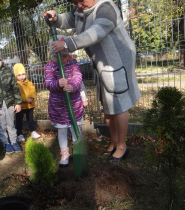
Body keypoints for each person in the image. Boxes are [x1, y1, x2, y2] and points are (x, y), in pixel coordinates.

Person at [45, 0, 141, 162]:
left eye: (80, 1)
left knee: (118, 104)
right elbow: (67, 19)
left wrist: (68, 44)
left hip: (116, 61)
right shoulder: (81, 10)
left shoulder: (105, 7)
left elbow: (96, 32)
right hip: (101, 64)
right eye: (75, 3)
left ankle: (123, 146)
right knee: (107, 105)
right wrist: (55, 16)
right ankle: (115, 141)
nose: (79, 6)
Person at [44, 35, 84, 166]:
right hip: (59, 108)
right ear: (52, 55)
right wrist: (57, 84)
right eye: (57, 57)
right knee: (61, 131)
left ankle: (78, 152)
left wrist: (72, 86)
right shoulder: (49, 67)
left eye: (65, 56)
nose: (62, 60)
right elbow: (48, 83)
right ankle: (65, 154)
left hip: (74, 106)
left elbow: (78, 78)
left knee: (76, 129)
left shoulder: (73, 64)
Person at [13, 63, 41, 142]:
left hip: (29, 105)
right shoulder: (15, 85)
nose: (21, 77)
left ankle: (33, 131)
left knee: (31, 119)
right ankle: (19, 134)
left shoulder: (29, 83)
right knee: (19, 120)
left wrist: (31, 97)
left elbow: (32, 90)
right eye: (19, 75)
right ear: (15, 76)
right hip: (20, 106)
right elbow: (17, 94)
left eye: (23, 75)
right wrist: (25, 99)